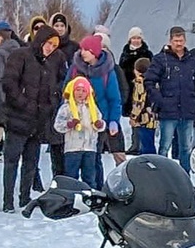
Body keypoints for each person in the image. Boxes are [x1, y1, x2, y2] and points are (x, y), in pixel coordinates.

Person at [0, 26, 59, 209]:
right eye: (48, 43)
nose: (50, 48)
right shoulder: (21, 55)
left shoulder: (48, 65)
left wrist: (49, 108)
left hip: (37, 121)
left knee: (31, 162)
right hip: (18, 118)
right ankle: (8, 200)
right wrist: (25, 104)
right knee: (12, 161)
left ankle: (24, 197)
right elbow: (9, 83)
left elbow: (50, 91)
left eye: (54, 45)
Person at [145, 27, 195, 173]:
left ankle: (185, 179)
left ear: (185, 40)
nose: (179, 43)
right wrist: (160, 101)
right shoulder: (161, 59)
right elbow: (149, 81)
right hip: (168, 110)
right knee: (164, 147)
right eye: (176, 41)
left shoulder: (192, 60)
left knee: (186, 147)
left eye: (181, 40)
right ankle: (162, 178)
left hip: (187, 109)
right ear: (170, 41)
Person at [68, 31, 125, 163]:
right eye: (81, 49)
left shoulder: (107, 72)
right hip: (77, 121)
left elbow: (114, 99)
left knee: (94, 159)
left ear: (94, 52)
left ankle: (95, 184)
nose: (82, 52)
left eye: (86, 50)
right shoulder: (75, 69)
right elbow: (66, 92)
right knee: (75, 159)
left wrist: (113, 120)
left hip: (97, 121)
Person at [56, 75, 107, 189]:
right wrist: (69, 124)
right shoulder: (66, 108)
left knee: (89, 177)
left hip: (89, 148)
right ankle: (70, 199)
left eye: (84, 90)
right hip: (72, 148)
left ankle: (90, 199)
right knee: (71, 177)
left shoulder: (93, 108)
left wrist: (100, 125)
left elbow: (101, 124)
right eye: (78, 90)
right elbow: (58, 125)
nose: (80, 93)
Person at [118, 28, 156, 156]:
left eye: (138, 38)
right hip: (129, 87)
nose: (136, 40)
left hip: (143, 87)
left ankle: (141, 146)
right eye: (133, 38)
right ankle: (135, 144)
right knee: (133, 116)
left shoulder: (147, 53)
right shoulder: (125, 54)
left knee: (141, 117)